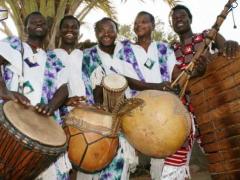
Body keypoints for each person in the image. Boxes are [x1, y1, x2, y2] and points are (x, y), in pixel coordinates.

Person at [0, 11, 71, 179]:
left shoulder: (53, 59)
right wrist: (5, 90)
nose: (39, 23)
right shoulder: (13, 45)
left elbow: (64, 89)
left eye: (42, 22)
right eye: (34, 22)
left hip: (42, 125)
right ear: (26, 29)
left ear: (47, 29)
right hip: (10, 122)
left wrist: (51, 106)